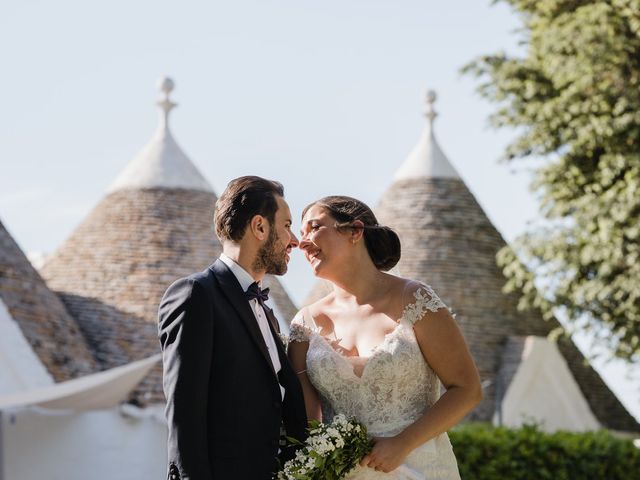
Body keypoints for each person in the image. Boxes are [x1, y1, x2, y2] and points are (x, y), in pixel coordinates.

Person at [288, 196, 482, 479]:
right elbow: (306, 426)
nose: (302, 243)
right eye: (301, 234)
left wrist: (403, 443)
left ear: (355, 231)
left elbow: (467, 390)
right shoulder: (304, 325)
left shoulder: (416, 301)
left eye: (314, 228)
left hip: (419, 469)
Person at [158, 176, 308, 480]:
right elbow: (185, 413)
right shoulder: (195, 294)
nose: (295, 240)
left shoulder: (266, 311)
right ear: (260, 227)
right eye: (287, 225)